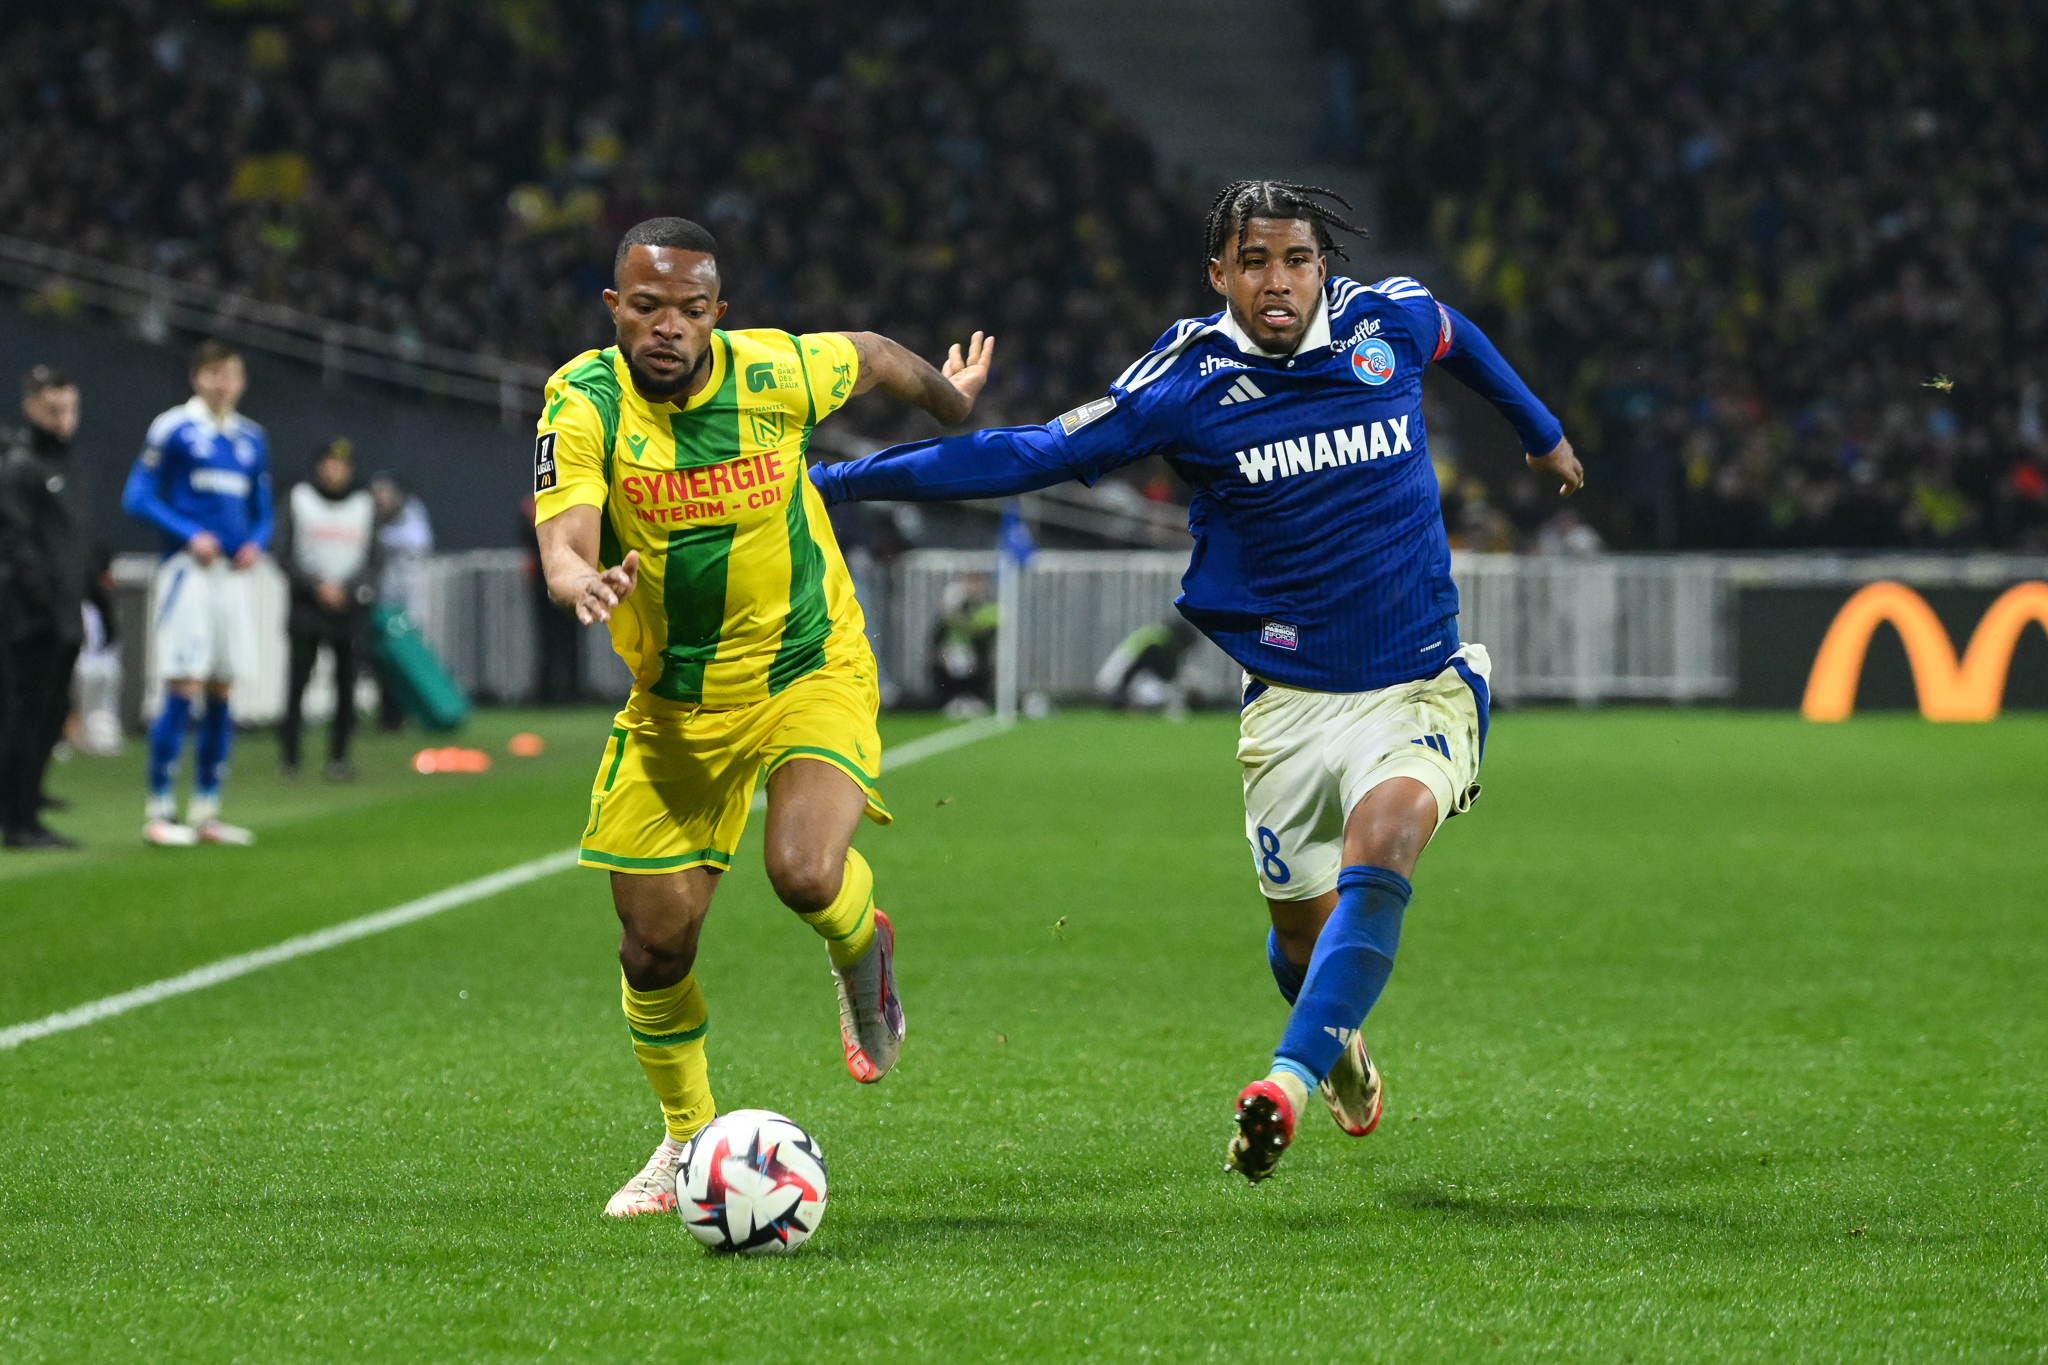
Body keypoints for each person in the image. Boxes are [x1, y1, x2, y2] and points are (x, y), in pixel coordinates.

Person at [809, 180, 1584, 1184]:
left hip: (1418, 682)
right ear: (1216, 272)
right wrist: (829, 481)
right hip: (1289, 709)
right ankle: (1332, 1039)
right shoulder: (1182, 381)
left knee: (1385, 840)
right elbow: (1029, 453)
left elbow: (1455, 332)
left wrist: (1538, 429)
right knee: (1300, 950)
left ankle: (1283, 1087)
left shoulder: (1380, 323)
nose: (1277, 281)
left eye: (1296, 260)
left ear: (1322, 266)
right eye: (1252, 262)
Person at [531, 217, 994, 1217]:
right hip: (675, 705)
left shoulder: (774, 371)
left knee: (801, 869)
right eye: (646, 307)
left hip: (805, 666)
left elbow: (873, 356)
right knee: (654, 946)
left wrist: (953, 404)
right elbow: (563, 533)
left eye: (690, 310)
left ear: (716, 315)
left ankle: (856, 940)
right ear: (614, 308)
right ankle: (687, 1146)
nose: (667, 328)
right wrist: (576, 579)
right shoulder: (581, 400)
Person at [121, 339, 272, 847]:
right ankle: (159, 810)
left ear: (242, 381)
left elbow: (264, 510)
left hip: (232, 577)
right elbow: (137, 495)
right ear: (196, 379)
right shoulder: (173, 428)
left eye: (231, 374)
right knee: (182, 686)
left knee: (223, 690)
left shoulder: (252, 439)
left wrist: (256, 542)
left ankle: (207, 810)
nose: (222, 383)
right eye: (212, 374)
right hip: (187, 572)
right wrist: (189, 534)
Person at [0, 365, 88, 849]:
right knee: (24, 718)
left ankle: (25, 806)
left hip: (63, 615)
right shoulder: (20, 467)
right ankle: (19, 822)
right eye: (53, 410)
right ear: (30, 407)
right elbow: (16, 541)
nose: (62, 419)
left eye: (69, 409)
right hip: (31, 619)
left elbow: (73, 543)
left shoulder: (67, 467)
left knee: (49, 717)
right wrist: (41, 601)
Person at [276, 439, 379, 780]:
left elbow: (375, 557)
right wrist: (315, 586)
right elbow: (283, 553)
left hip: (348, 608)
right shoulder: (298, 499)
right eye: (330, 464)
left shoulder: (365, 504)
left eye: (343, 465)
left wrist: (347, 589)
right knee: (297, 682)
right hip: (307, 605)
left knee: (346, 685)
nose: (336, 471)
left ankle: (339, 757)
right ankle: (290, 758)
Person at [369, 472, 433, 730]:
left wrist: (382, 536)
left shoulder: (410, 513)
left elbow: (418, 541)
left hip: (409, 599)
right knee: (383, 660)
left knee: (409, 657)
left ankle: (411, 711)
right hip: (381, 600)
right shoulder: (370, 518)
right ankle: (389, 716)